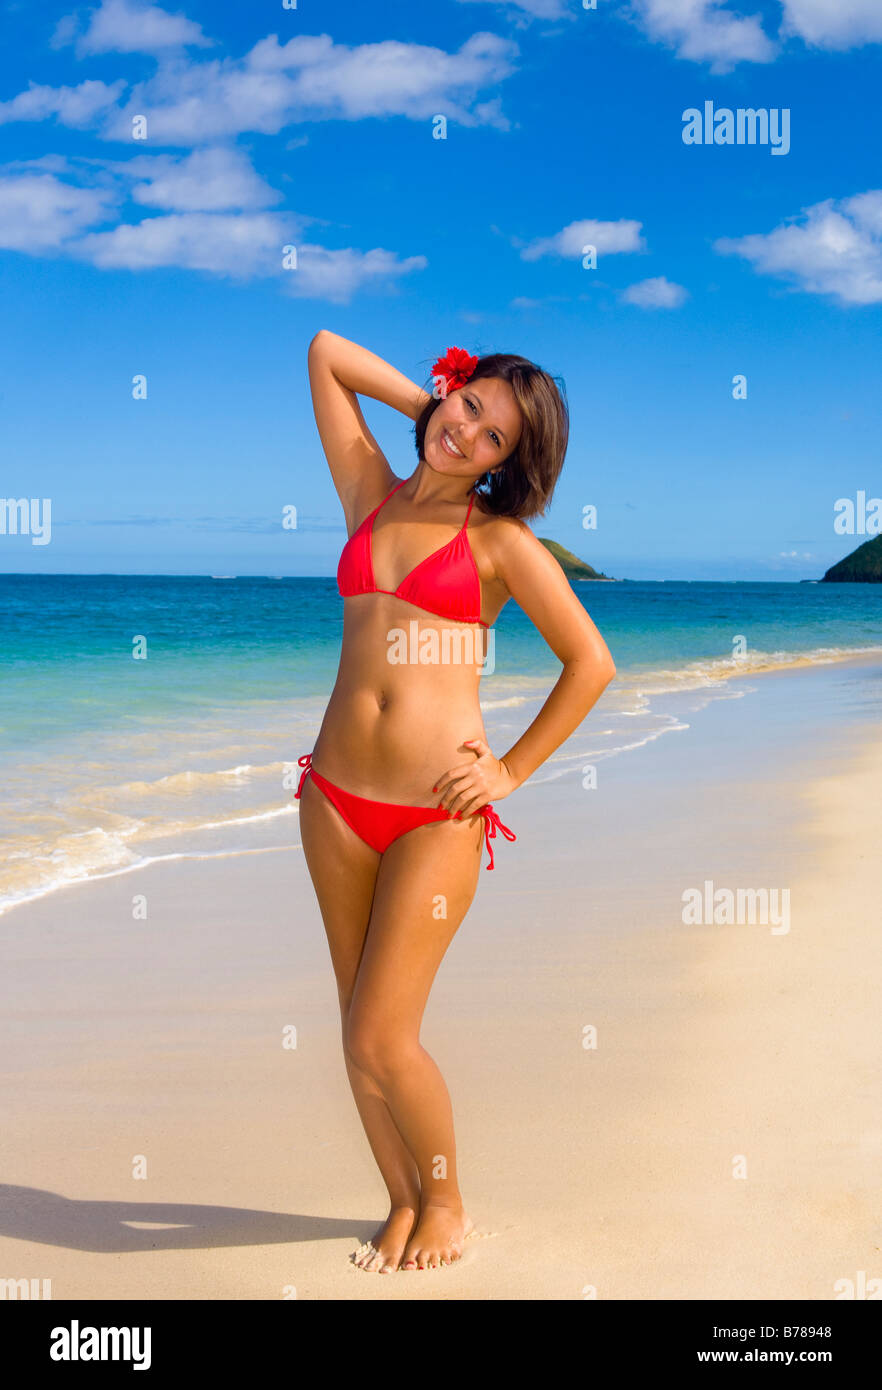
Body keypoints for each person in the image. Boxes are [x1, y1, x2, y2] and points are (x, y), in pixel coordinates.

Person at [295, 331, 616, 1273]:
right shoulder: (370, 494)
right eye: (469, 404)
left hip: (437, 812)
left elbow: (590, 663)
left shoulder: (502, 544)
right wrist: (426, 410)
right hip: (336, 803)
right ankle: (399, 1200)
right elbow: (325, 353)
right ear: (447, 390)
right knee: (353, 1024)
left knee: (380, 1032)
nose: (469, 433)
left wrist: (509, 771)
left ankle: (448, 1200)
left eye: (494, 438)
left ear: (509, 468)